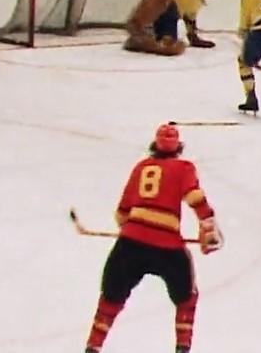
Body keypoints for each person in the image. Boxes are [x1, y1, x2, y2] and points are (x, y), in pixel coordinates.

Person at [83, 123, 223, 353]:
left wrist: (137, 230)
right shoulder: (183, 167)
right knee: (186, 298)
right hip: (168, 248)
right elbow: (195, 197)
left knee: (110, 299)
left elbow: (121, 214)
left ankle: (93, 347)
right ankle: (182, 347)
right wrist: (208, 227)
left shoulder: (141, 167)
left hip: (130, 245)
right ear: (178, 147)